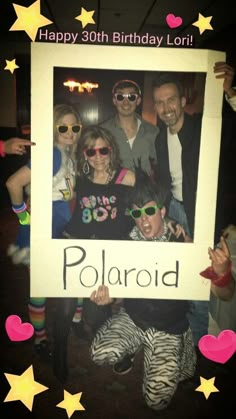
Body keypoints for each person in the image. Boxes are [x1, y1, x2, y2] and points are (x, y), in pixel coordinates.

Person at [89, 172, 234, 412]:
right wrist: (108, 297)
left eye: (149, 211)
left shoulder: (182, 243)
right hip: (134, 319)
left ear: (163, 212)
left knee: (156, 402)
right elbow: (118, 287)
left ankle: (181, 348)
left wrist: (221, 272)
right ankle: (137, 345)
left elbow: (225, 294)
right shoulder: (126, 243)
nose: (143, 220)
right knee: (98, 353)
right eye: (136, 213)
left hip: (168, 327)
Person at [152, 61, 236, 345]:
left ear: (183, 100)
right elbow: (164, 181)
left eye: (171, 100)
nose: (166, 108)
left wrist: (229, 94)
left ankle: (199, 342)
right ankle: (177, 336)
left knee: (202, 278)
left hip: (201, 212)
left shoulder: (206, 127)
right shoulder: (157, 140)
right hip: (173, 209)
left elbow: (232, 124)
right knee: (177, 275)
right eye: (160, 103)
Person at [53, 125, 136, 383]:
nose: (97, 156)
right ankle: (58, 354)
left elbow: (149, 204)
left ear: (111, 148)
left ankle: (116, 345)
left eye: (103, 149)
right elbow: (58, 197)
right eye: (91, 151)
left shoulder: (127, 177)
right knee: (65, 308)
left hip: (108, 256)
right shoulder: (79, 178)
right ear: (84, 154)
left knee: (96, 313)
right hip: (76, 249)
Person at [5, 104, 83, 361]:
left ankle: (72, 320)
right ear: (53, 130)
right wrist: (24, 217)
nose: (70, 132)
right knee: (40, 288)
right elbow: (13, 183)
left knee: (64, 278)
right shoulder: (52, 154)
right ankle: (40, 340)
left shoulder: (67, 154)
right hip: (41, 233)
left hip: (59, 230)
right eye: (63, 128)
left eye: (75, 127)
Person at [101, 79, 158, 175]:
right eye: (120, 97)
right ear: (114, 101)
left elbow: (160, 166)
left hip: (146, 189)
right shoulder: (102, 132)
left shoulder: (153, 132)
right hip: (113, 189)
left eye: (131, 97)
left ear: (138, 101)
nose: (125, 102)